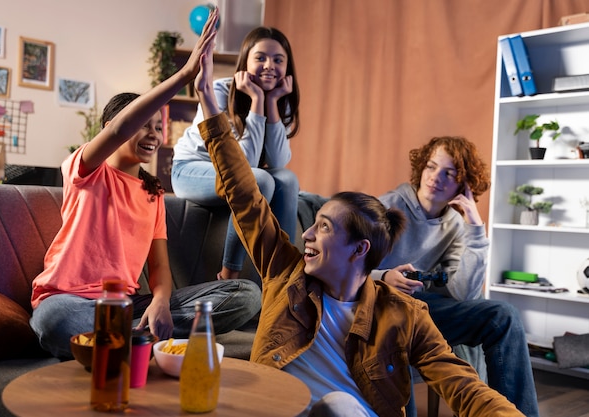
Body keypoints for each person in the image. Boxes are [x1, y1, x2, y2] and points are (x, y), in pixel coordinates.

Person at [193, 36, 524, 417]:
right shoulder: (286, 273)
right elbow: (245, 196)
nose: (306, 235)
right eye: (313, 225)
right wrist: (206, 98)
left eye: (324, 227)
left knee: (340, 406)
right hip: (286, 410)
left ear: (359, 249)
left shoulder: (403, 314)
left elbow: (462, 385)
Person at [29, 8, 261, 360]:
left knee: (245, 294)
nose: (153, 134)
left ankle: (125, 338)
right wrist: (185, 74)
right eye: (145, 124)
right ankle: (137, 341)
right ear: (114, 123)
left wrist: (161, 303)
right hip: (70, 301)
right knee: (53, 320)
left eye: (158, 127)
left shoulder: (153, 195)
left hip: (128, 306)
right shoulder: (85, 170)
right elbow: (120, 129)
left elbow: (160, 269)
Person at [373, 136, 539, 417]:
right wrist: (383, 276)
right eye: (431, 166)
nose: (435, 178)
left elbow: (463, 293)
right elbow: (346, 262)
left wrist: (475, 227)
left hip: (421, 306)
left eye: (448, 173)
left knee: (503, 314)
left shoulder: (454, 225)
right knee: (397, 327)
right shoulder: (386, 207)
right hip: (376, 301)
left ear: (464, 184)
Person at [172, 26, 300, 280]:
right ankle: (229, 272)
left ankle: (283, 275)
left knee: (287, 179)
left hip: (236, 176)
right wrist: (257, 101)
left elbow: (277, 161)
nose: (269, 65)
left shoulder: (279, 98)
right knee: (258, 178)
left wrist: (271, 103)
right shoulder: (222, 91)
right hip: (191, 170)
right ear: (245, 62)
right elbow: (243, 165)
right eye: (260, 58)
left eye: (278, 60)